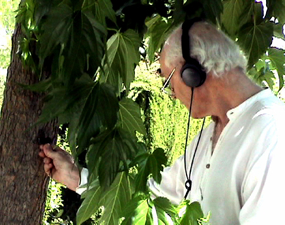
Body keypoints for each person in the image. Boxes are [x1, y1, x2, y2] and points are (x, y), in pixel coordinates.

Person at [39, 20, 285, 224]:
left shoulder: (271, 131)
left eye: (168, 83)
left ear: (193, 73)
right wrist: (76, 177)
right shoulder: (209, 133)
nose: (172, 95)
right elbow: (152, 199)